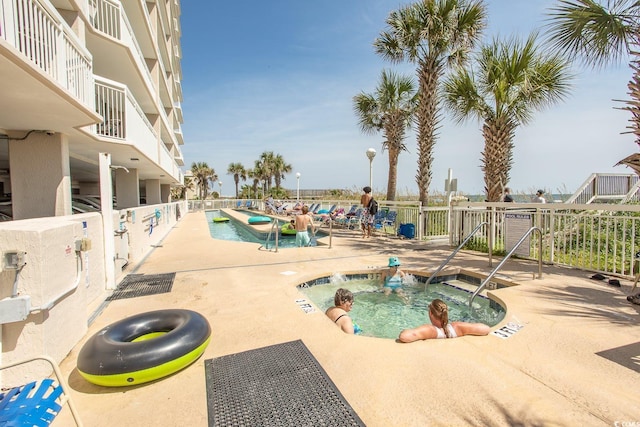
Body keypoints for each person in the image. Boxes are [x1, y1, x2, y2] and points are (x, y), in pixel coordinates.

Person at [398, 298, 490, 342]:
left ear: (430, 313)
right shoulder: (456, 327)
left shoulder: (431, 330)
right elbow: (485, 329)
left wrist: (405, 330)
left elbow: (405, 336)